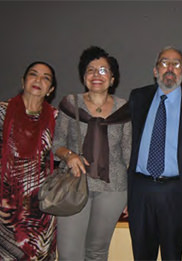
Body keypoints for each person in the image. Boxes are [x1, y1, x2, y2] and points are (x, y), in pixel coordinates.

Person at [127, 46, 182, 260]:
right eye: (164, 62)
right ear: (155, 70)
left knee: (172, 256)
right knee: (141, 255)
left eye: (176, 64)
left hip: (176, 193)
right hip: (140, 191)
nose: (170, 68)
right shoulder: (137, 98)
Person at [52, 46, 131, 260]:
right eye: (91, 70)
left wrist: (131, 196)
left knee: (97, 252)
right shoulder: (70, 104)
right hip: (74, 184)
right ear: (83, 76)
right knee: (70, 254)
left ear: (112, 78)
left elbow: (128, 155)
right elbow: (56, 143)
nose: (97, 74)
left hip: (113, 188)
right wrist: (69, 155)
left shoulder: (124, 108)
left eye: (103, 70)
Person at [0, 61, 58, 260]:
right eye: (33, 74)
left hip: (41, 210)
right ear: (23, 81)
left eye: (46, 78)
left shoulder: (56, 117)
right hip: (1, 207)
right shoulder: (0, 112)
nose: (38, 80)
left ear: (51, 89)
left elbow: (65, 152)